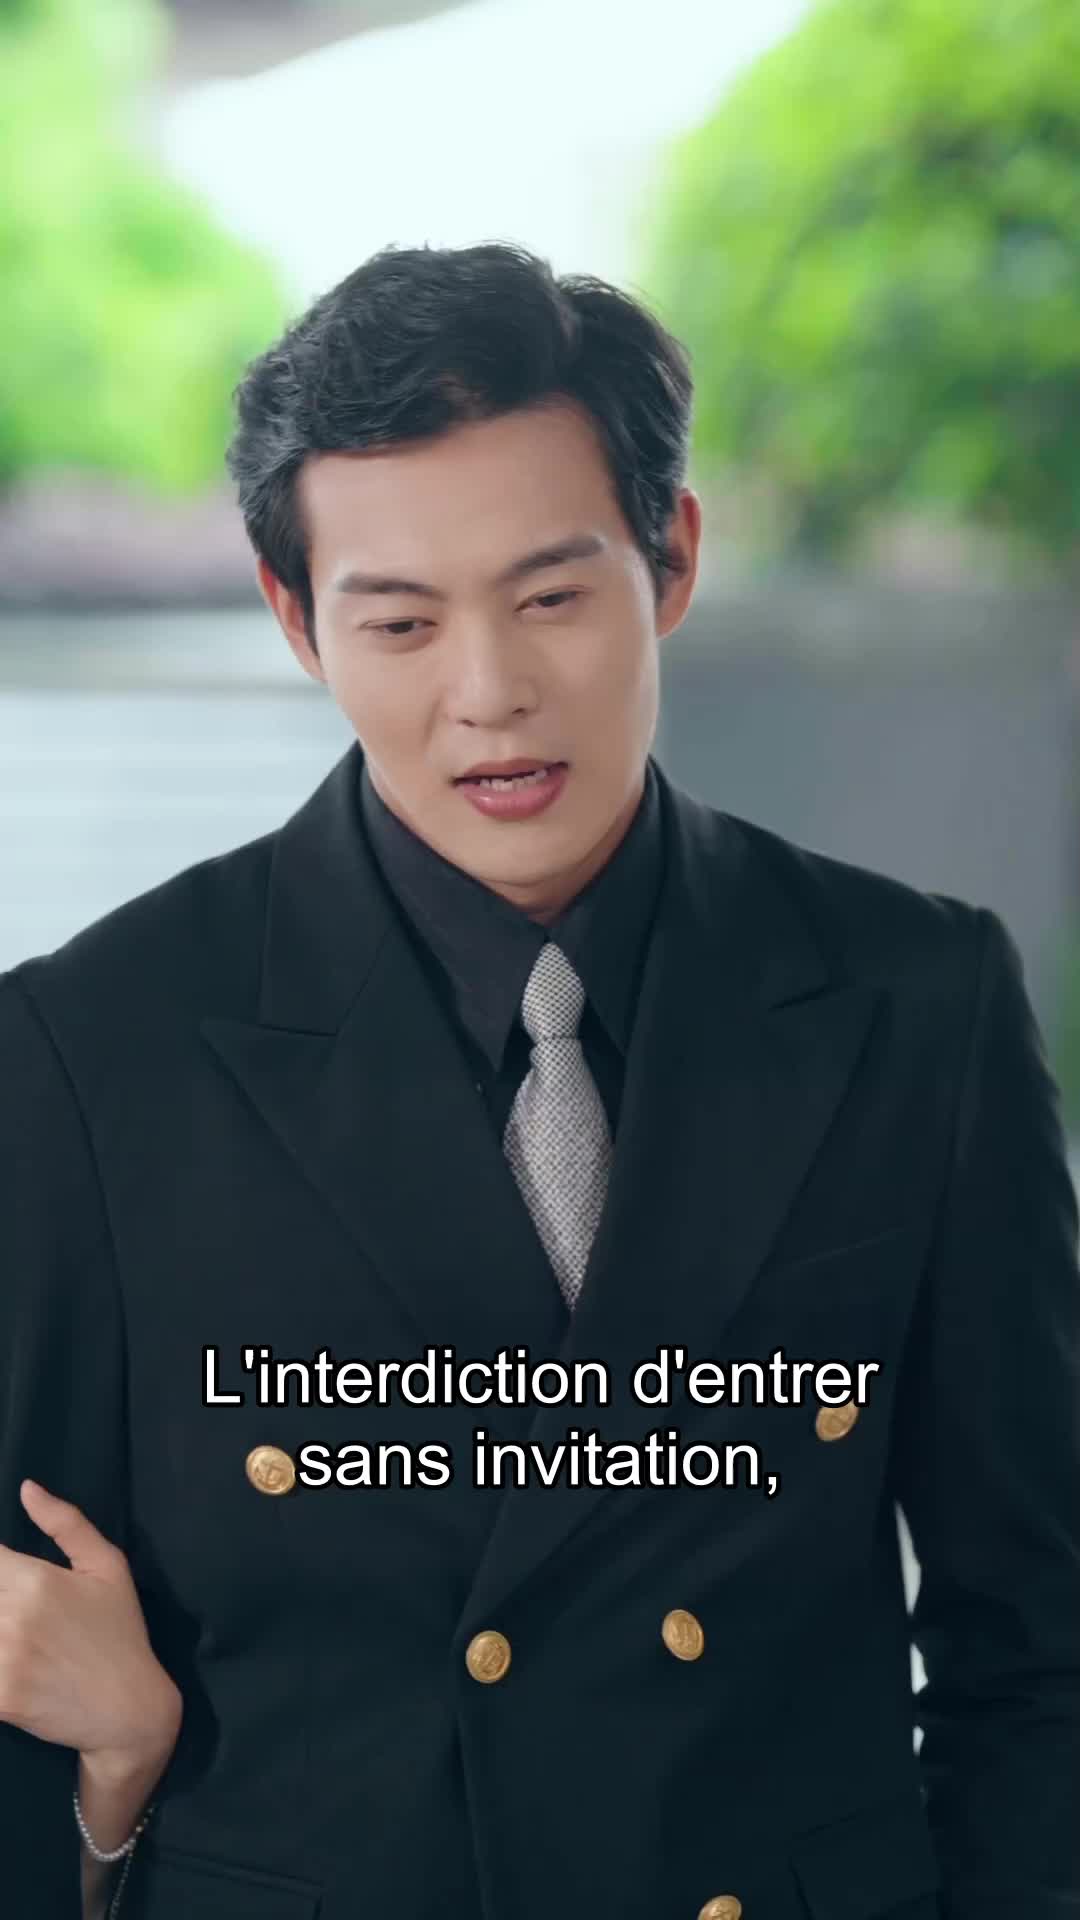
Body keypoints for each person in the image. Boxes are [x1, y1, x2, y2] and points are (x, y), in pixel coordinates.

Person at [0, 240, 1077, 1920]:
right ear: (294, 619)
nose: (489, 695)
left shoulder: (916, 1003)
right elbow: (26, 1659)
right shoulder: (90, 1051)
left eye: (553, 597)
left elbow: (1042, 1649)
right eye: (400, 622)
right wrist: (110, 1796)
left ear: (673, 558)